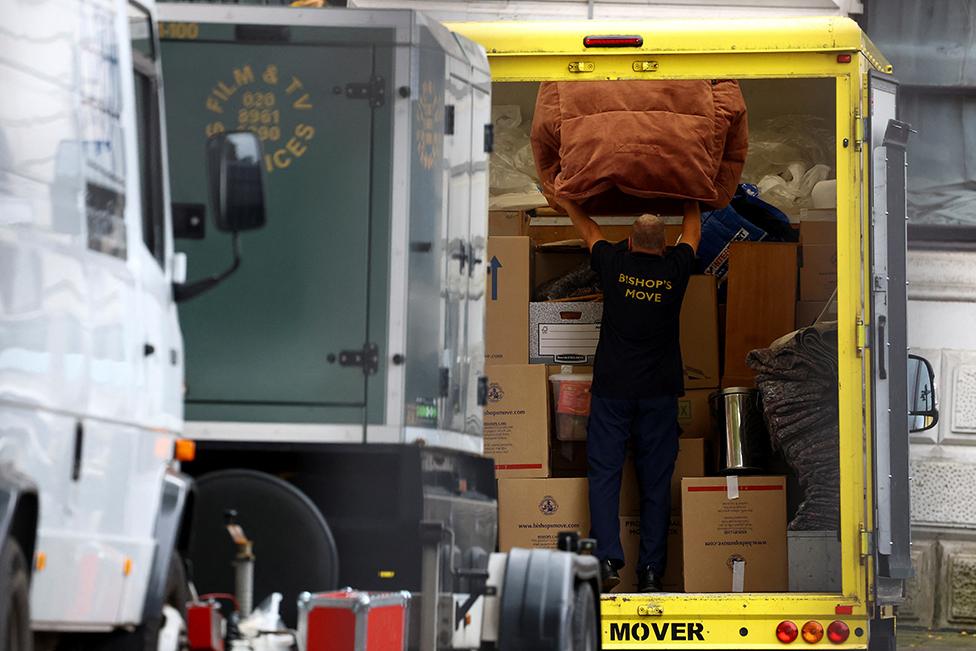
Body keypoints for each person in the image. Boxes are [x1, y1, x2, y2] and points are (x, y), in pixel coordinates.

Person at [555, 198, 702, 593]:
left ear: (630, 243)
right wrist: (691, 195)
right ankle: (651, 573)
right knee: (655, 484)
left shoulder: (612, 264)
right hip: (658, 394)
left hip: (613, 392)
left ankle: (606, 560)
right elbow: (694, 232)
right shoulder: (677, 269)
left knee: (605, 474)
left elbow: (589, 230)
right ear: (665, 244)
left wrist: (567, 199)